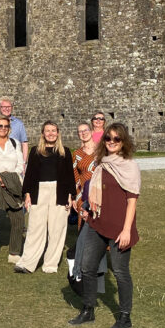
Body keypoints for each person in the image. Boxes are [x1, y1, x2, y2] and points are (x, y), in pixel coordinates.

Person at [70, 122, 140, 328]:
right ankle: (88, 309)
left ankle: (125, 316)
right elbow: (94, 189)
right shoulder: (102, 162)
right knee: (87, 266)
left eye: (116, 139)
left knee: (120, 272)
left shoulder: (129, 165)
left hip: (119, 227)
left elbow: (132, 200)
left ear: (123, 142)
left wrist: (127, 230)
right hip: (97, 222)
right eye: (108, 138)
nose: (111, 142)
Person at [14, 121, 76, 275]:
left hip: (59, 191)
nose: (50, 133)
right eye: (47, 131)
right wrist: (27, 194)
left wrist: (70, 196)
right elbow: (30, 175)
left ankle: (50, 264)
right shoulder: (35, 151)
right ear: (43, 133)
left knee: (56, 229)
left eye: (53, 130)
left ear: (58, 133)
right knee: (35, 228)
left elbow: (70, 176)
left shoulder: (65, 152)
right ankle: (27, 263)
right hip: (39, 191)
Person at [0, 114, 26, 267]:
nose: (3, 128)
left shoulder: (15, 143)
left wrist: (10, 180)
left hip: (13, 182)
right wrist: (1, 178)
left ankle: (14, 252)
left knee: (17, 218)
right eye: (0, 125)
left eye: (6, 126)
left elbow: (20, 164)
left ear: (9, 128)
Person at [68, 120, 104, 290]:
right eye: (79, 131)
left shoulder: (101, 150)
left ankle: (98, 272)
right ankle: (83, 269)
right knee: (85, 231)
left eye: (85, 130)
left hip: (100, 194)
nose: (83, 133)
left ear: (91, 131)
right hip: (84, 195)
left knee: (100, 230)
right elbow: (75, 176)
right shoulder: (77, 154)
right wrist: (75, 197)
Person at [0, 97, 29, 161]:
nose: (6, 109)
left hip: (15, 161)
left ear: (12, 108)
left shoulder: (19, 124)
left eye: (9, 106)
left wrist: (24, 162)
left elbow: (24, 143)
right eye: (4, 107)